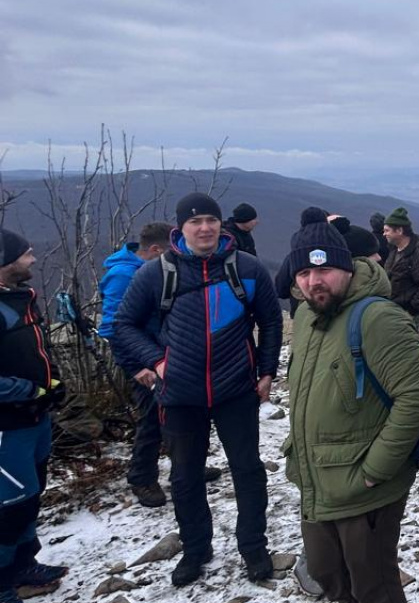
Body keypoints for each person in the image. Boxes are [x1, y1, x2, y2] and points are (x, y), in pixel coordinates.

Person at [110, 193, 284, 586]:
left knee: (248, 470)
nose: (205, 228)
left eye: (211, 220)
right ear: (181, 228)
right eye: (195, 221)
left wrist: (267, 371)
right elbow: (124, 325)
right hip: (180, 393)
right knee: (185, 477)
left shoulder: (246, 267)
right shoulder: (157, 273)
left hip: (236, 388)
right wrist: (155, 360)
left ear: (221, 224)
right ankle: (195, 549)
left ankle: (253, 546)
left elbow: (271, 320)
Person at [283, 216, 419, 603]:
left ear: (347, 267)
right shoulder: (305, 315)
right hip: (317, 479)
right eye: (304, 272)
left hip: (364, 486)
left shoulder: (378, 318)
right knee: (327, 576)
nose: (314, 281)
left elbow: (417, 396)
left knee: (373, 588)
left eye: (324, 269)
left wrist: (374, 471)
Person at [100, 222, 221, 508]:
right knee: (153, 419)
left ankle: (188, 464)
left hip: (169, 356)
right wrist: (136, 368)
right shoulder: (123, 275)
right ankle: (142, 477)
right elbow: (113, 327)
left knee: (183, 415)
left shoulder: (156, 270)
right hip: (145, 361)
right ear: (156, 249)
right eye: (172, 250)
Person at [0, 230, 70, 602]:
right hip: (7, 426)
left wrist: (52, 382)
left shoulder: (21, 300)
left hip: (35, 419)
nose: (33, 259)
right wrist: (29, 390)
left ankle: (24, 564)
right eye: (26, 254)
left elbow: (35, 352)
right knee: (10, 505)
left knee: (30, 496)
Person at [382, 207, 419, 334]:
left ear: (399, 230)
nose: (384, 234)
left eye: (387, 230)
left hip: (410, 315)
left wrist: (412, 309)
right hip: (395, 311)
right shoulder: (394, 250)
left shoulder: (418, 254)